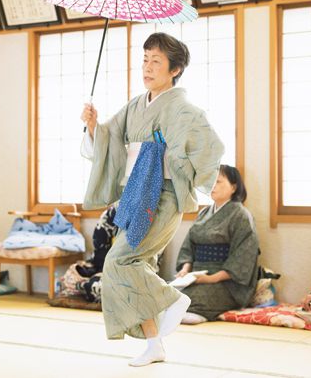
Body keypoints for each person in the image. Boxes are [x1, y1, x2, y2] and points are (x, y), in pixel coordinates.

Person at [81, 32, 224, 367]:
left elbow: (211, 147)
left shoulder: (183, 109)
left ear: (174, 70)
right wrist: (92, 126)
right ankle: (154, 343)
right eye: (145, 59)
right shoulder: (136, 105)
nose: (147, 67)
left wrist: (170, 154)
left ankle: (173, 299)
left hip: (163, 198)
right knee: (137, 266)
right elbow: (109, 137)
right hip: (136, 194)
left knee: (120, 261)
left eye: (155, 61)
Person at [175, 165, 260, 324]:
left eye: (218, 181)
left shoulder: (241, 215)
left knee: (190, 300)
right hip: (196, 276)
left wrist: (211, 279)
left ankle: (199, 313)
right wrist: (186, 269)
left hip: (227, 283)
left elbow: (243, 258)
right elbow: (189, 245)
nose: (212, 185)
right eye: (210, 181)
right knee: (168, 294)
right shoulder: (203, 213)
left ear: (233, 187)